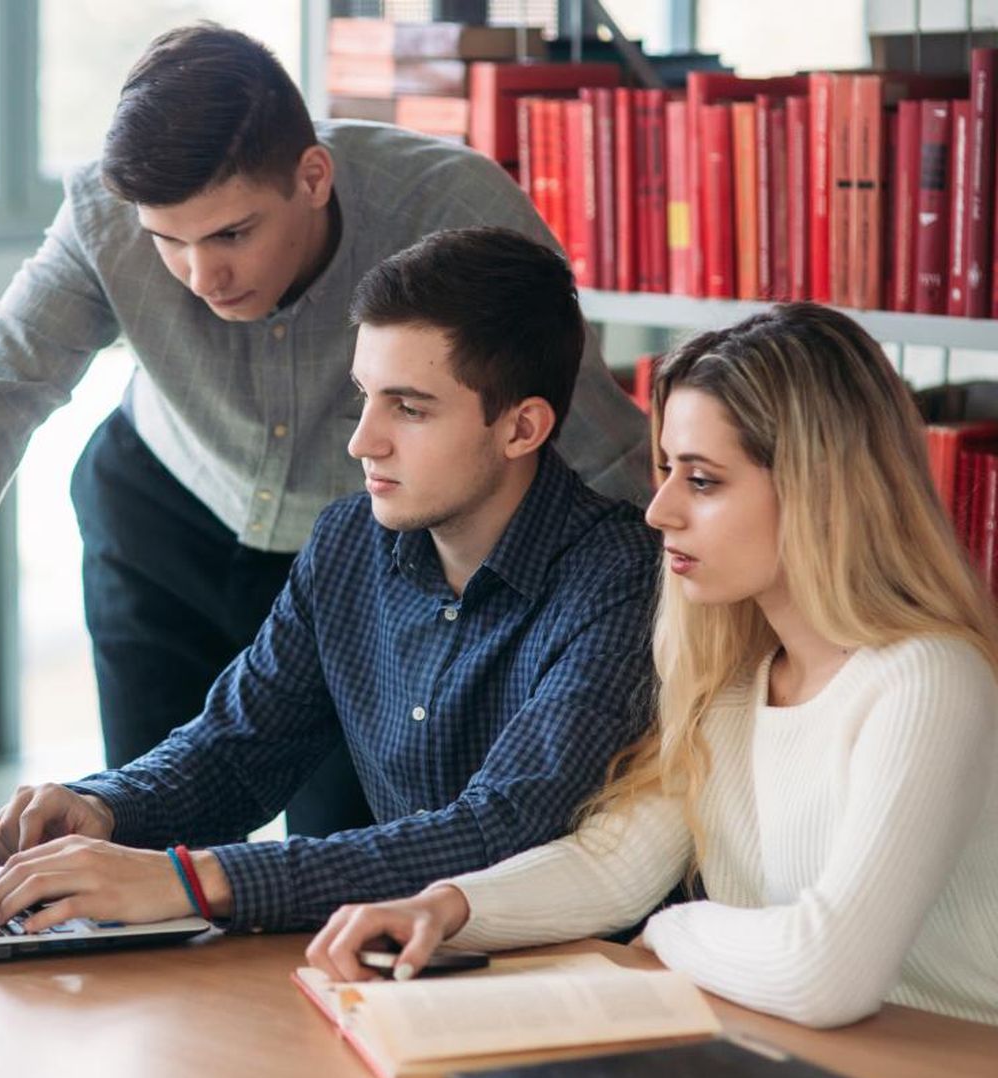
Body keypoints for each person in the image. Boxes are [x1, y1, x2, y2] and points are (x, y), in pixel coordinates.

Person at [0, 24, 651, 838]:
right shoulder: (103, 215)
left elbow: (586, 431)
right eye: (167, 242)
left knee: (342, 850)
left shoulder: (452, 209)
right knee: (135, 822)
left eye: (232, 234)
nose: (201, 275)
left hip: (354, 561)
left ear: (312, 176)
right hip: (162, 524)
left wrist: (679, 617)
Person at [304, 302, 998, 1029]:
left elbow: (826, 975)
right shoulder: (736, 680)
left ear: (820, 492)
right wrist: (443, 907)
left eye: (702, 481)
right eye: (665, 471)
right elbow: (613, 864)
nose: (658, 510)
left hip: (938, 1065)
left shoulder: (927, 679)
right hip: (794, 1055)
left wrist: (673, 929)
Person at [0, 227, 659, 936]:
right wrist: (103, 806)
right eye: (365, 397)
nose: (362, 441)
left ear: (521, 429)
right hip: (402, 964)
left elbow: (500, 833)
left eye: (409, 408)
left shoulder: (623, 580)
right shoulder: (349, 542)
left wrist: (194, 880)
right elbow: (238, 750)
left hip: (573, 975)